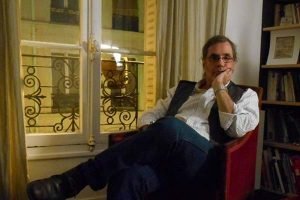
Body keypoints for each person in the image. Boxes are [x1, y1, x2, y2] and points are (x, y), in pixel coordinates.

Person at [26, 35, 259, 200]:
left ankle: (70, 182)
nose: (220, 63)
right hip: (166, 157)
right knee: (127, 176)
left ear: (234, 63)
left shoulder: (245, 96)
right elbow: (151, 114)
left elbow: (236, 130)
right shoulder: (184, 90)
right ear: (204, 63)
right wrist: (151, 134)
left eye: (226, 58)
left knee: (170, 127)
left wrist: (219, 87)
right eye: (214, 58)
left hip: (203, 163)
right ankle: (72, 182)